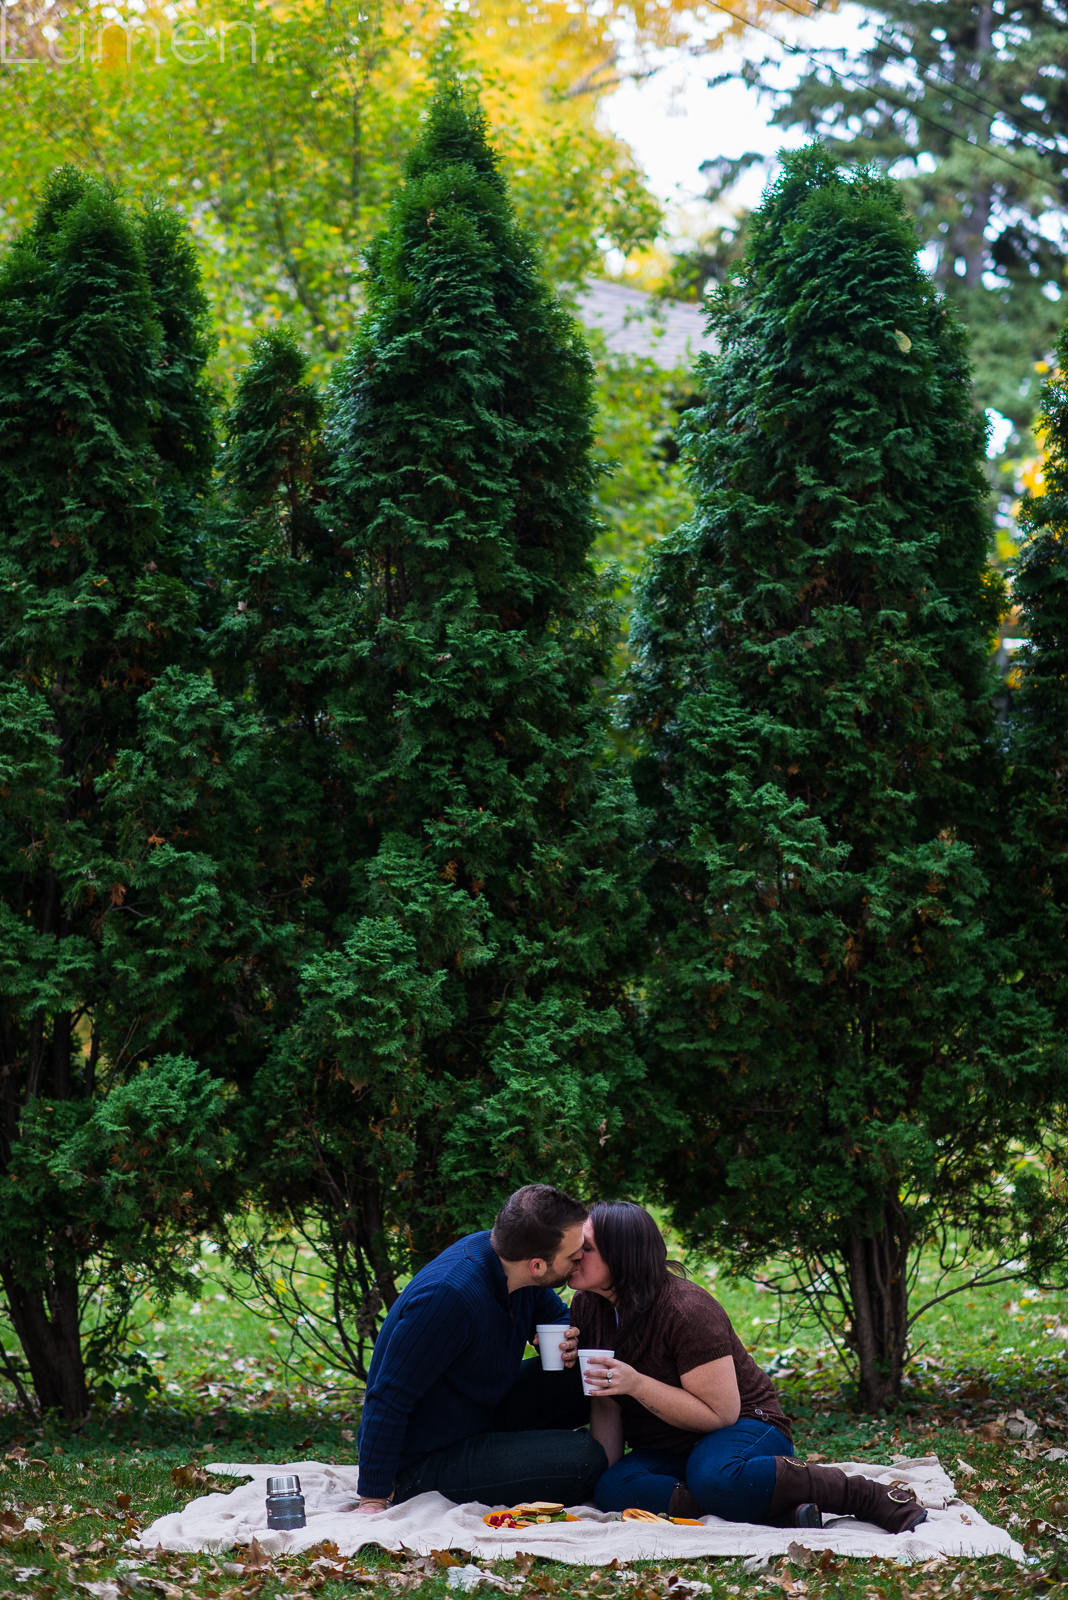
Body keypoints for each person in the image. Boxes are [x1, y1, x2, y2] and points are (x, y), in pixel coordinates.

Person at [568, 1201, 927, 1534]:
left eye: (587, 1249)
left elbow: (720, 1414)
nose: (574, 1255)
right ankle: (777, 1511)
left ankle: (861, 1494)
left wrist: (637, 1384)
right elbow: (605, 1400)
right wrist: (608, 1471)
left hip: (746, 1426)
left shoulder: (685, 1310)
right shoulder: (587, 1305)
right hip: (674, 1448)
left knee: (715, 1475)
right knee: (614, 1488)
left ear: (621, 1257)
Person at [356, 1184, 605, 1512]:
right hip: (425, 1457)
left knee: (587, 1374)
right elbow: (388, 1397)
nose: (579, 1261)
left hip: (479, 1412)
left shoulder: (512, 1267)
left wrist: (567, 1339)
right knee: (584, 1460)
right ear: (538, 1265)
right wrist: (373, 1497)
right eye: (573, 1257)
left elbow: (554, 1315)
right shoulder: (448, 1298)